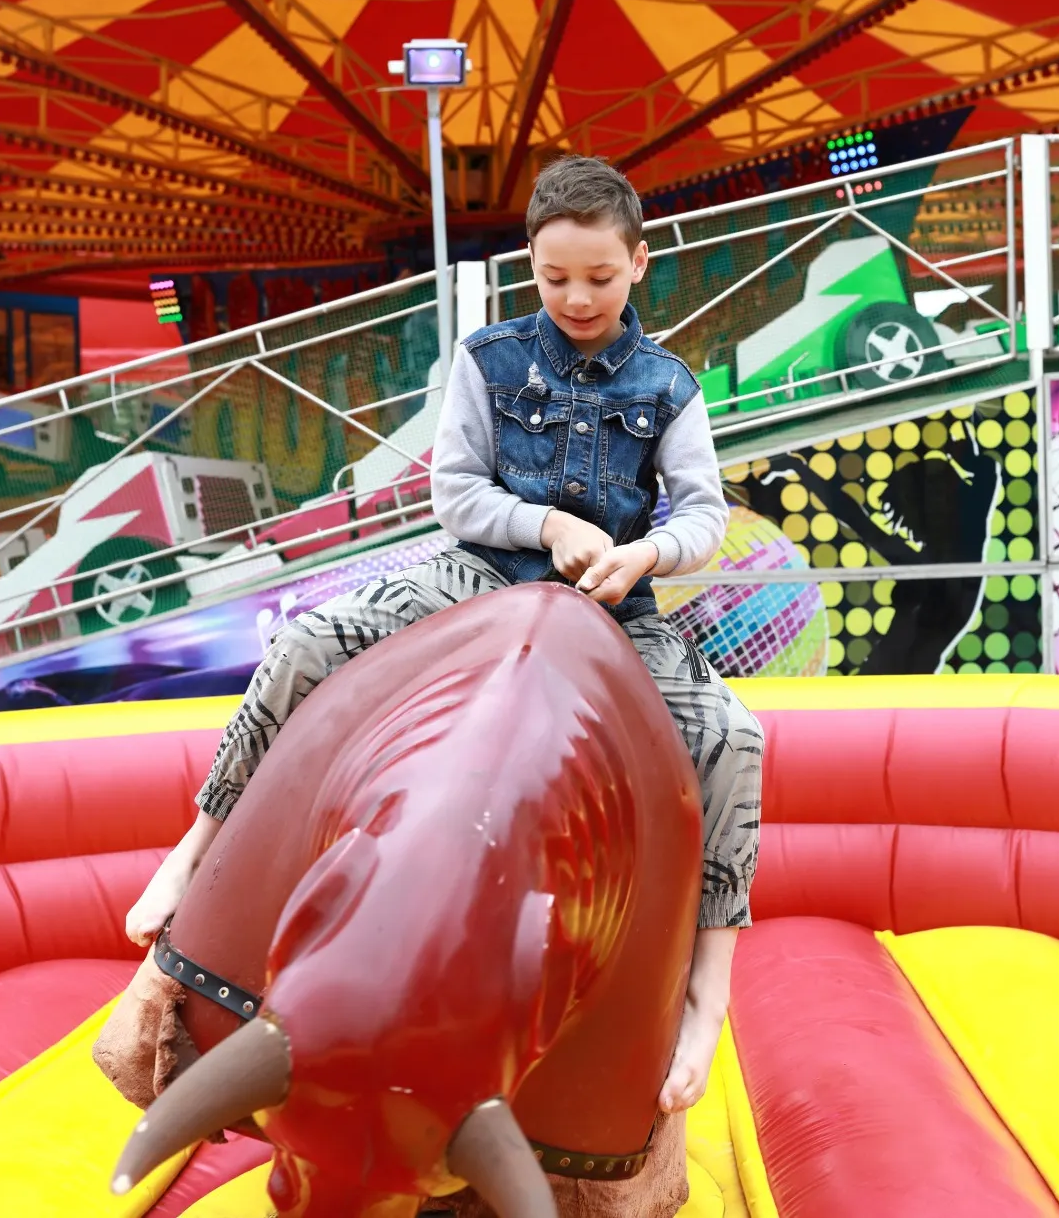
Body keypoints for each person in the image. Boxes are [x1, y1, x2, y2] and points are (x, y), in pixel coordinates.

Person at [122, 155, 764, 1115]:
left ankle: (708, 993)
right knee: (307, 643)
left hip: (612, 608)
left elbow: (704, 516)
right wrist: (546, 525)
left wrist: (646, 557)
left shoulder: (670, 385)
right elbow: (456, 492)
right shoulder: (489, 359)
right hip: (474, 579)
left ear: (638, 262)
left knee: (733, 738)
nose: (576, 296)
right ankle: (198, 843)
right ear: (529, 269)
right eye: (555, 278)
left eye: (597, 275)